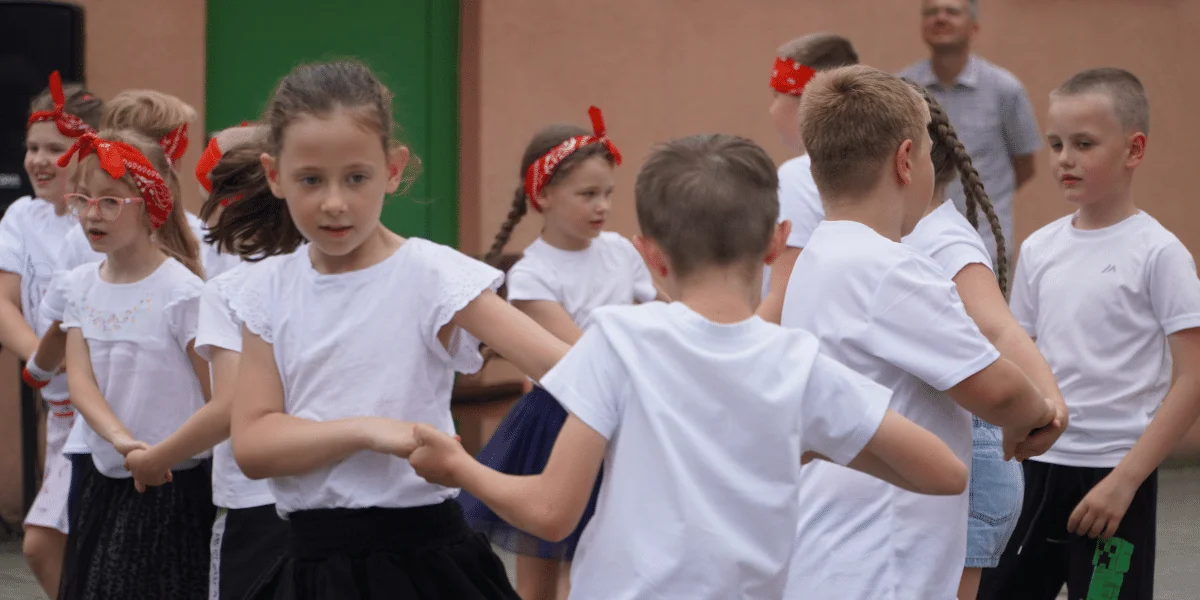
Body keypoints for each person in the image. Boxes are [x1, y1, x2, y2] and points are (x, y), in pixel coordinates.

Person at [409, 133, 968, 600]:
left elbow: (552, 512)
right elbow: (945, 473)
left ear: (649, 255)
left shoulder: (619, 342)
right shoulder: (797, 364)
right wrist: (804, 440)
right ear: (776, 244)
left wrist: (460, 468)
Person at [226, 60, 573, 599]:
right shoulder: (267, 289)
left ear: (393, 168)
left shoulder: (433, 275)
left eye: (356, 177)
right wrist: (366, 430)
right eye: (311, 180)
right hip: (312, 567)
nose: (335, 202)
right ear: (275, 175)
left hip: (425, 563)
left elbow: (570, 372)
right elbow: (252, 444)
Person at [779, 65, 1056, 600]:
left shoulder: (821, 256)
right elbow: (996, 387)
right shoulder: (890, 269)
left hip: (836, 546)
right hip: (882, 561)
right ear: (906, 161)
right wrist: (1039, 414)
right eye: (929, 150)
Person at [979, 68, 1200, 600]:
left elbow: (1193, 377)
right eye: (1055, 144)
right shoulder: (1038, 249)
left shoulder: (1159, 253)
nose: (1063, 159)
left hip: (1114, 484)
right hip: (1035, 475)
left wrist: (1124, 482)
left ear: (1133, 149)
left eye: (1083, 144)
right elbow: (1019, 354)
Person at [459, 108, 658, 600]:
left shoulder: (622, 252)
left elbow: (662, 319)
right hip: (557, 425)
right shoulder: (532, 275)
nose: (602, 206)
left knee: (611, 554)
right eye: (587, 194)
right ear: (542, 195)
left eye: (608, 193)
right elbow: (581, 354)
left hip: (627, 416)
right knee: (541, 570)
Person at [901, 81, 1068, 599]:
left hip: (974, 472)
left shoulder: (944, 239)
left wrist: (1048, 405)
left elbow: (998, 326)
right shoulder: (901, 237)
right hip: (944, 462)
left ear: (903, 162)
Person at [124, 126, 294, 600]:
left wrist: (155, 459)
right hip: (337, 496)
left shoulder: (230, 290)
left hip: (256, 495)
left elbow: (229, 406)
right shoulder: (328, 271)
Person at [56, 129, 212, 599]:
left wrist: (155, 458)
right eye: (82, 199)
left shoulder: (182, 293)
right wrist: (126, 446)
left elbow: (220, 398)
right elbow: (81, 383)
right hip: (107, 472)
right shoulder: (80, 285)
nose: (91, 214)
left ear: (149, 204)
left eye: (109, 202)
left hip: (171, 482)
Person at [1, 70, 102, 598]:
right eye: (32, 147)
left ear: (87, 152)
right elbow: (3, 301)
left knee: (48, 543)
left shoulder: (103, 219)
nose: (39, 160)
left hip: (108, 406)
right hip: (59, 409)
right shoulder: (22, 216)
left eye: (54, 148)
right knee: (60, 543)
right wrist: (45, 360)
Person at [898, 0, 1042, 263]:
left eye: (951, 11)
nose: (940, 18)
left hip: (985, 247)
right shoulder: (901, 89)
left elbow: (1025, 166)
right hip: (917, 248)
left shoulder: (1005, 90)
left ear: (973, 28)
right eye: (931, 12)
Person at [758, 32, 859, 322]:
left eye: (777, 96)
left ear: (809, 104)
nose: (772, 109)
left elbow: (784, 295)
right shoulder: (868, 166)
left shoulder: (799, 176)